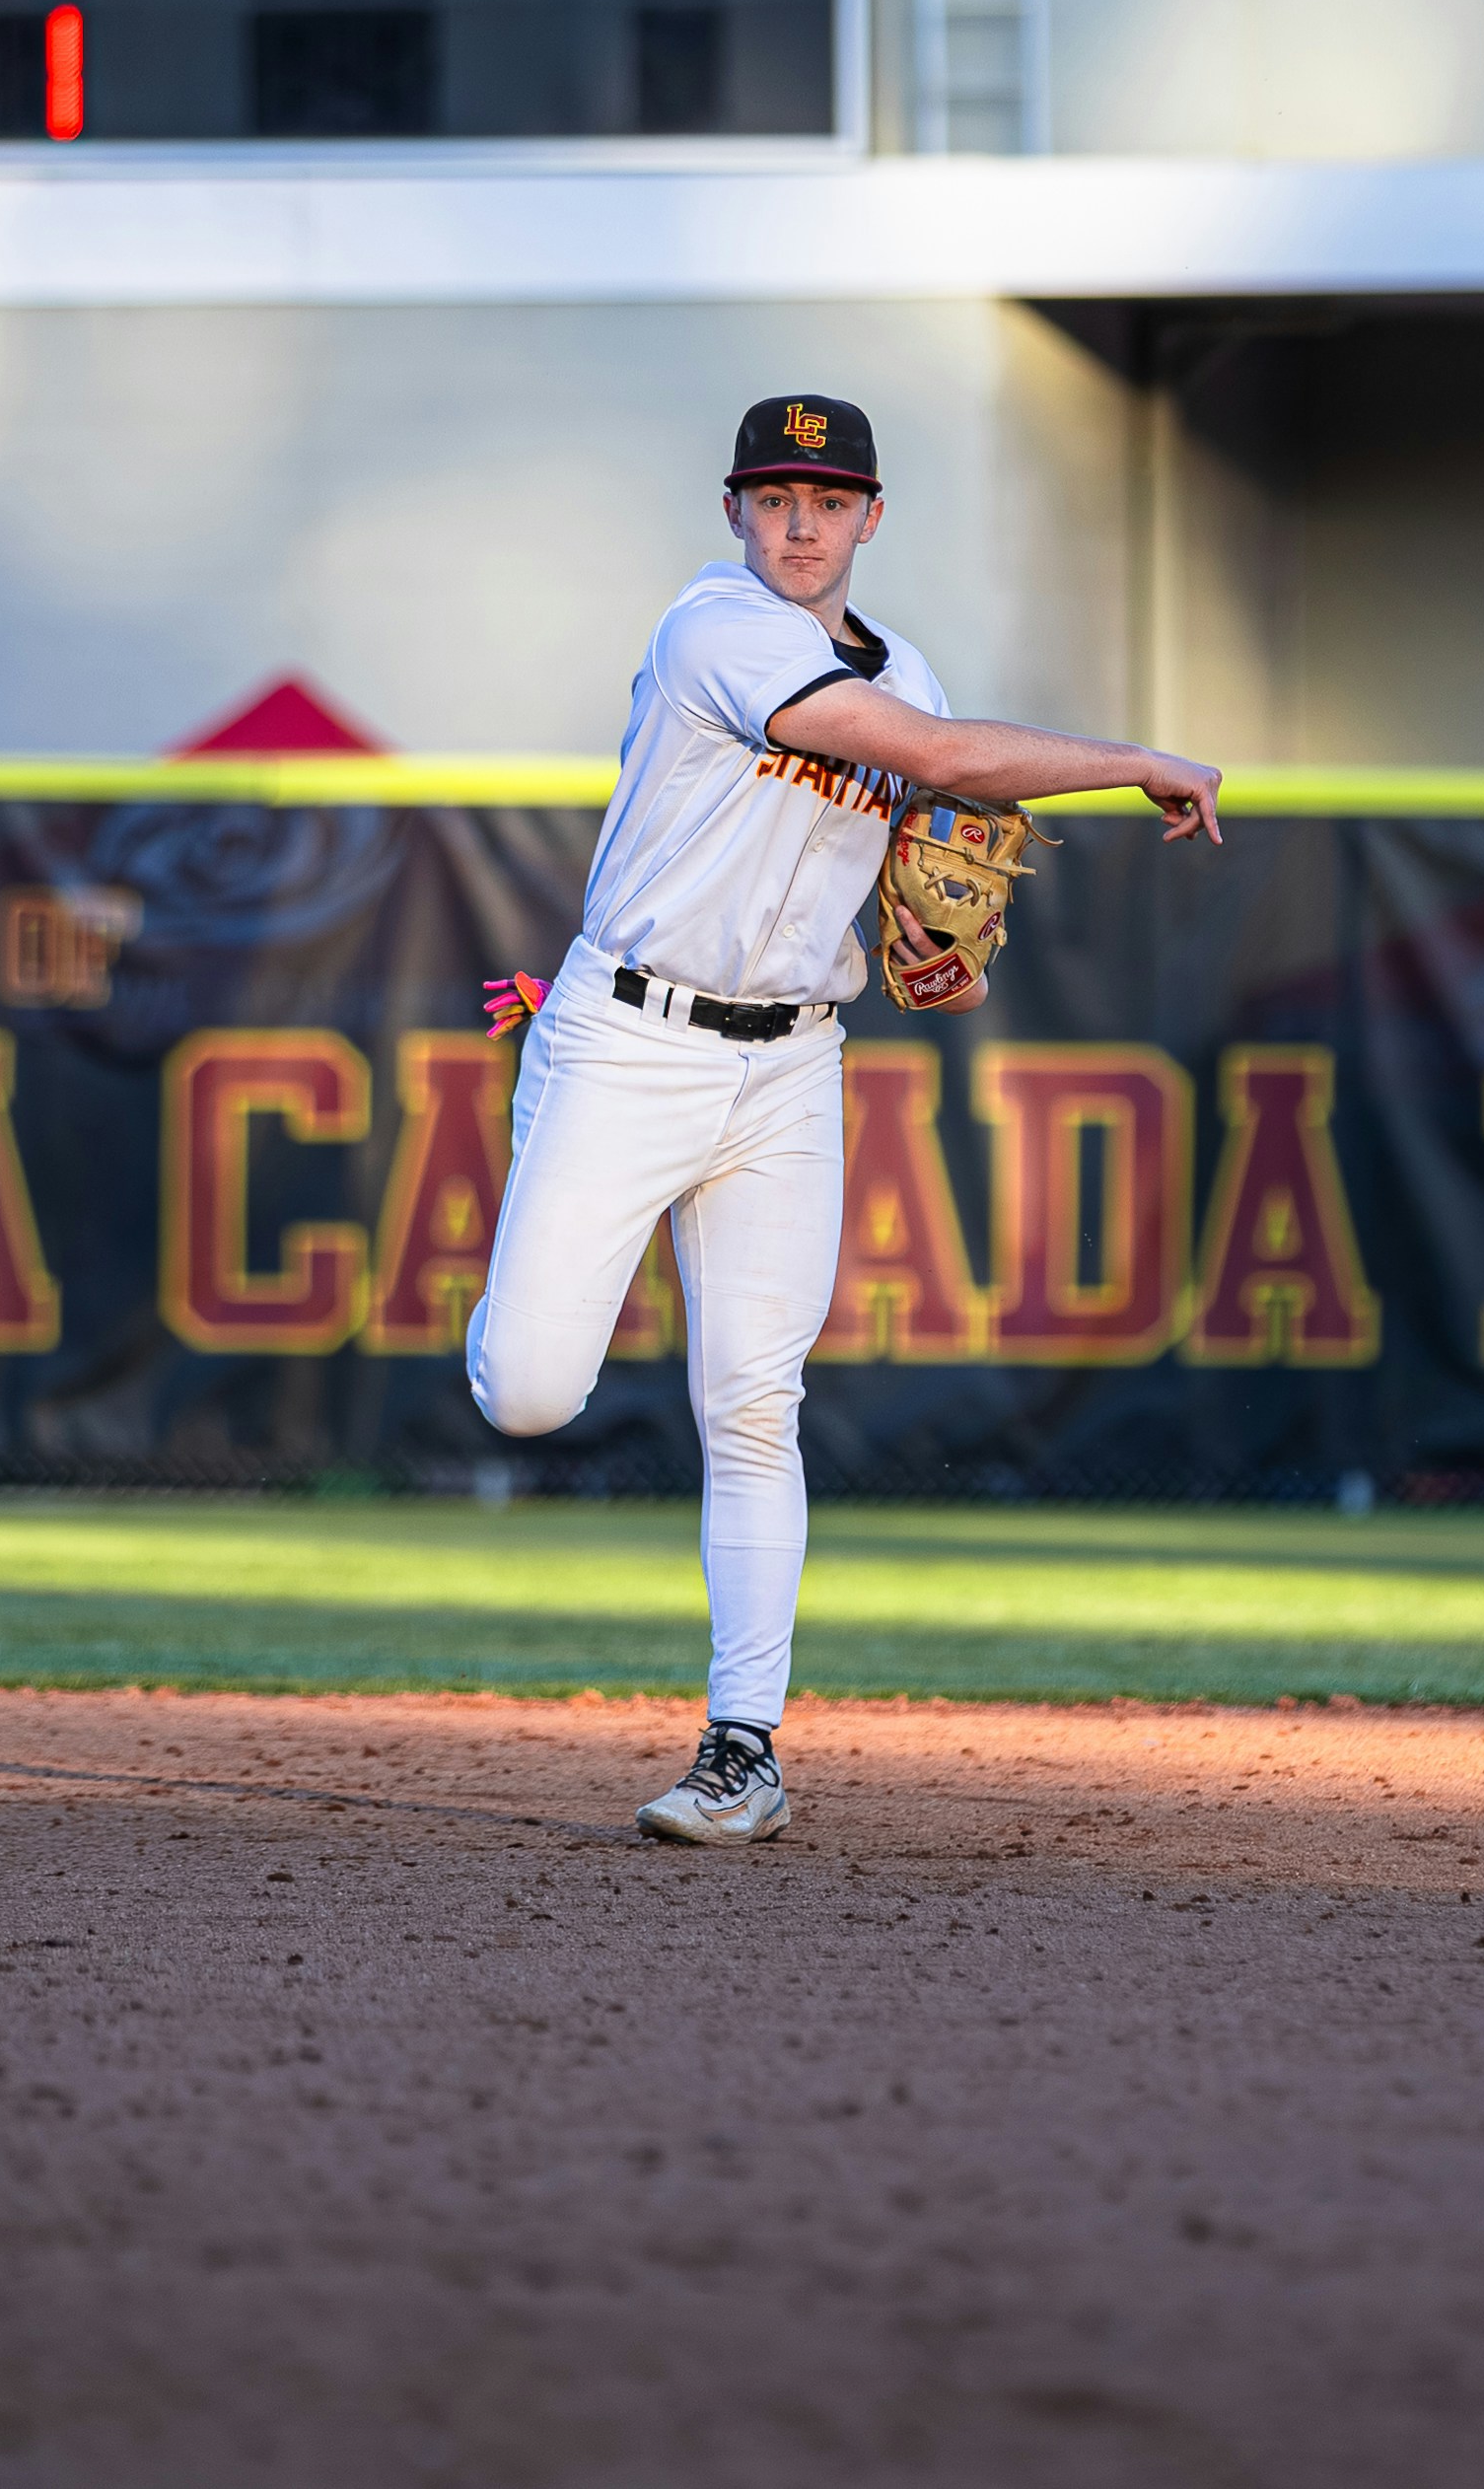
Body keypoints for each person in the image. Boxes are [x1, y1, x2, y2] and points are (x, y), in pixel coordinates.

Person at [464, 391, 1222, 1845]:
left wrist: (919, 942)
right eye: (772, 494)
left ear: (873, 514)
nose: (798, 522)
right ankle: (535, 1102)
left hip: (793, 1062)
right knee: (530, 1393)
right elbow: (931, 762)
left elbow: (905, 839)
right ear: (733, 510)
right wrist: (1136, 758)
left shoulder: (908, 669)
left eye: (827, 497)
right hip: (627, 1038)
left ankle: (741, 1748)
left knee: (754, 1405)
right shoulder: (715, 627)